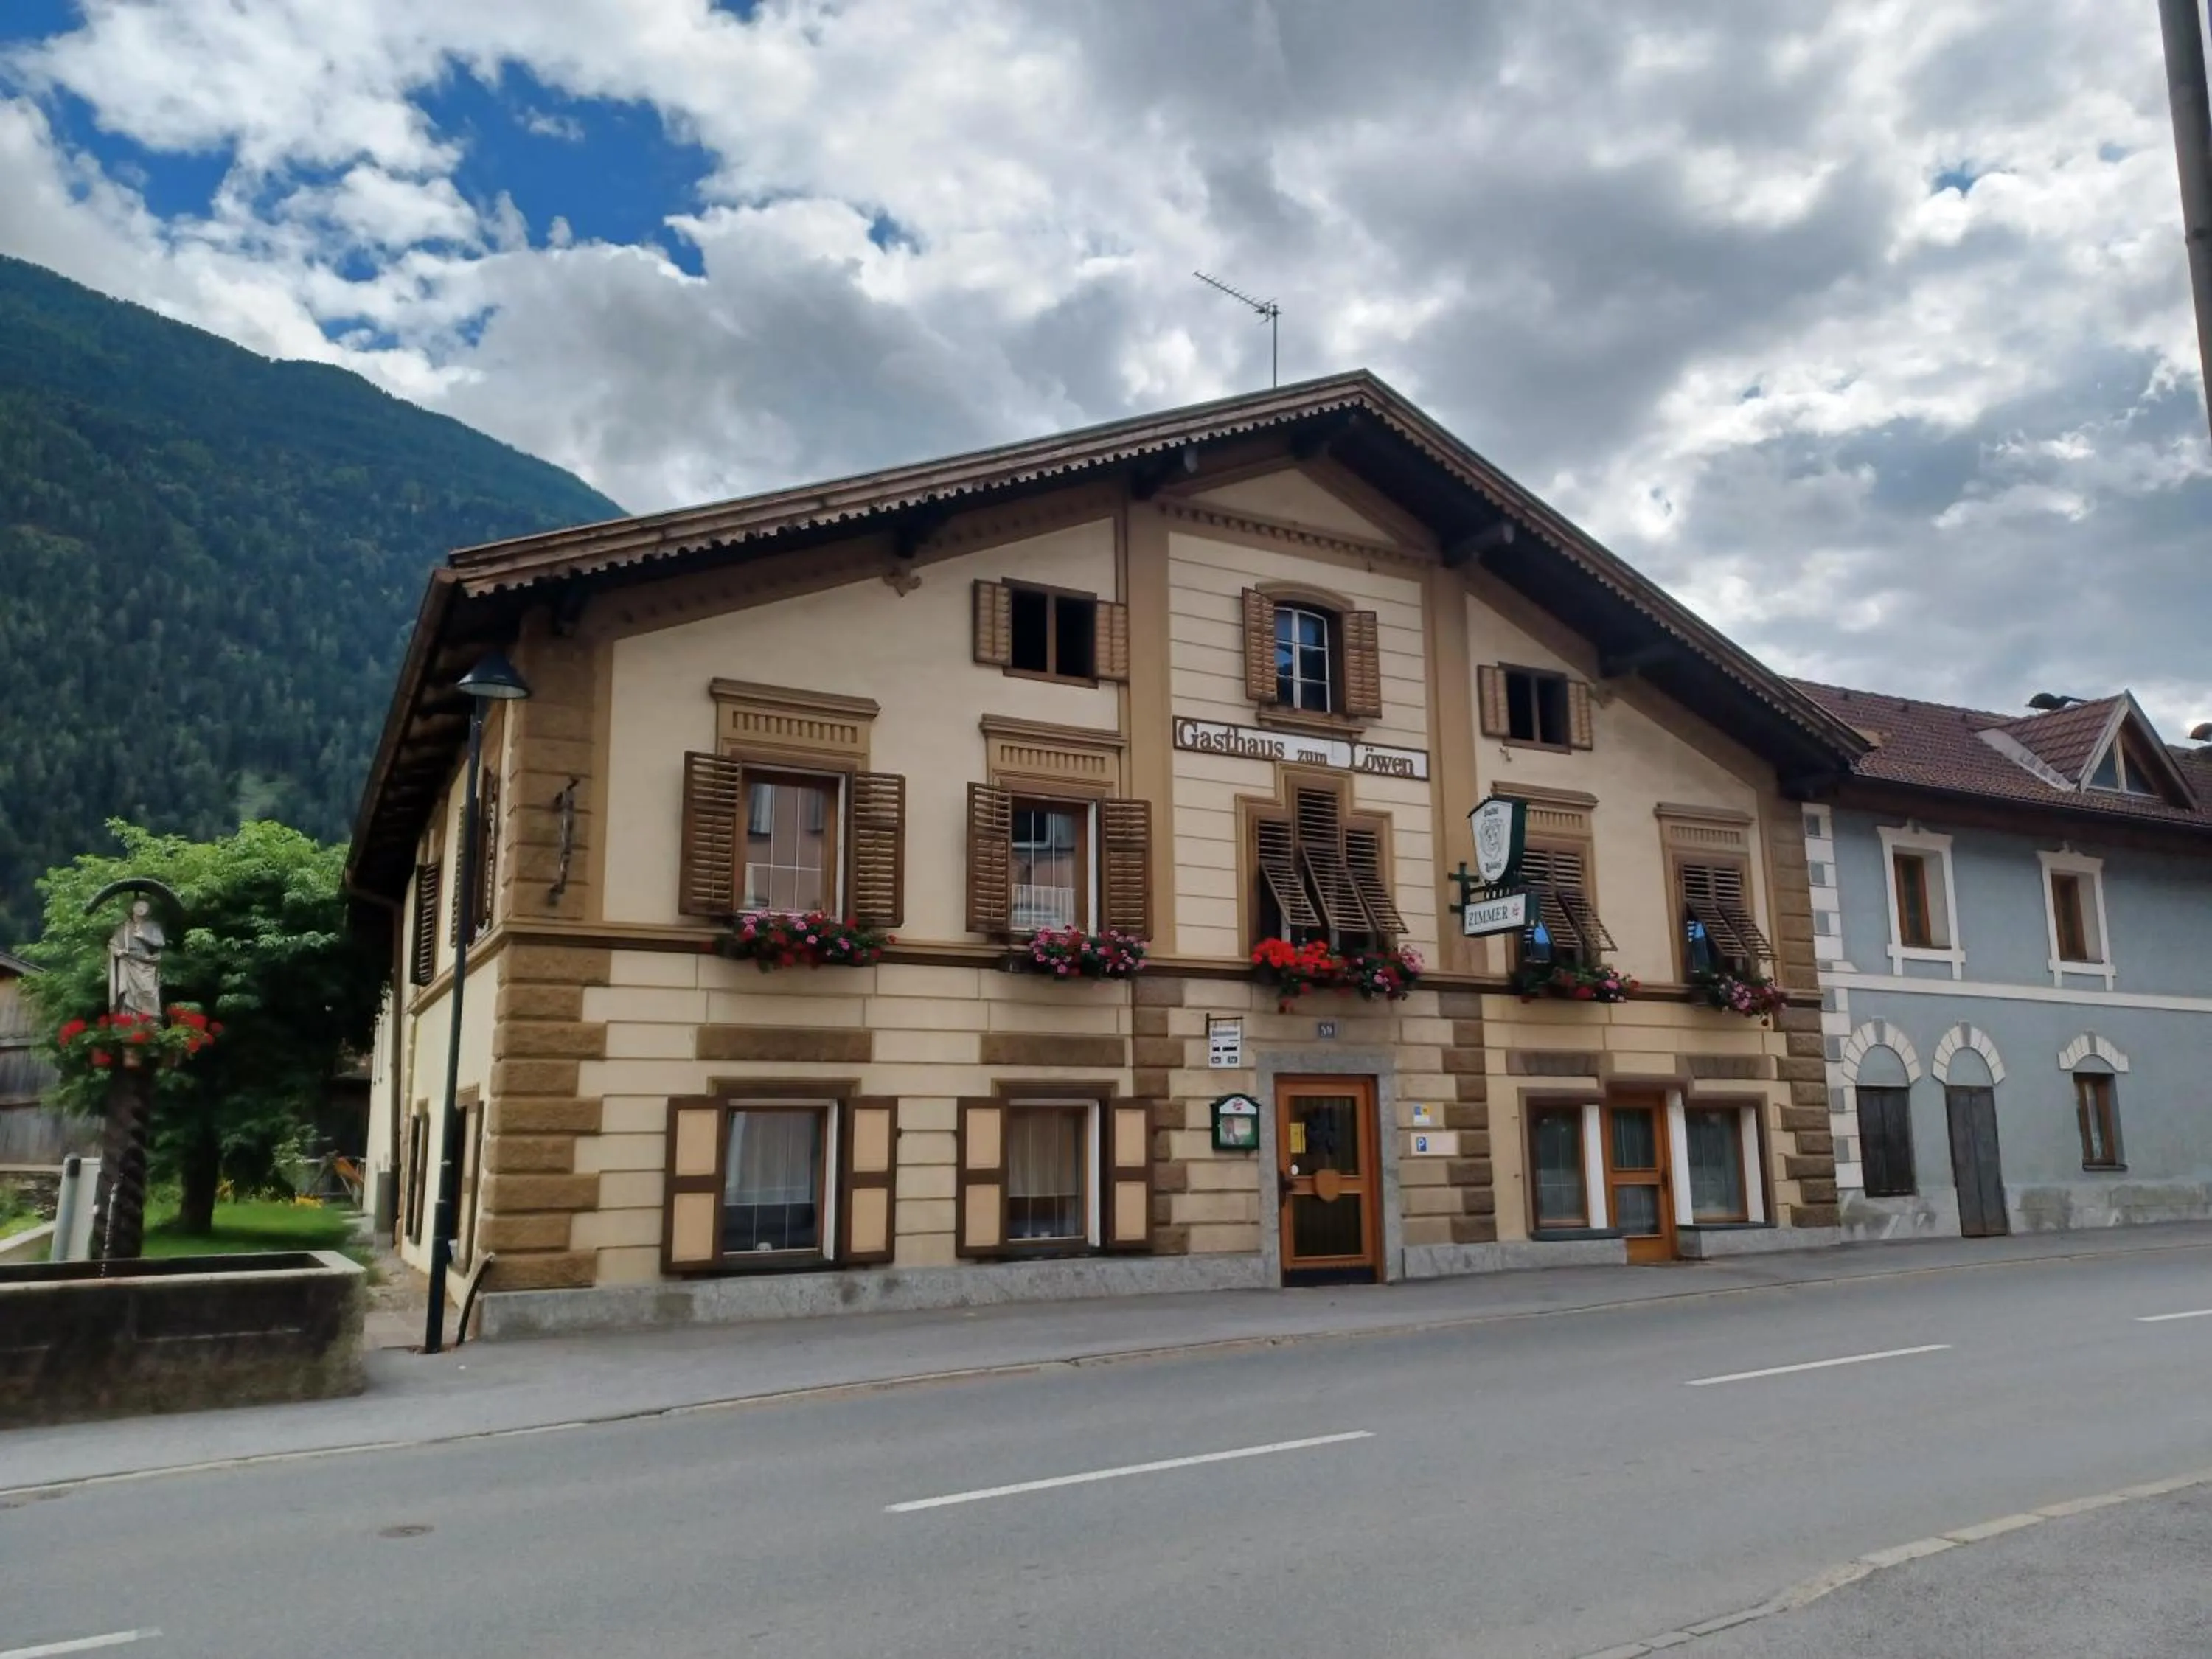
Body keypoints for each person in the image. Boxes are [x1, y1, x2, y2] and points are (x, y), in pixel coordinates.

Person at [108, 898, 164, 1019]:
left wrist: (143, 937)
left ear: (148, 910)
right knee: (128, 995)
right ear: (132, 909)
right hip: (128, 963)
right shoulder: (124, 928)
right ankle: (129, 1024)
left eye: (143, 907)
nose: (140, 910)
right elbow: (113, 944)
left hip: (147, 963)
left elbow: (160, 943)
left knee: (149, 992)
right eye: (138, 907)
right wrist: (119, 951)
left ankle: (150, 1023)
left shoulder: (153, 926)